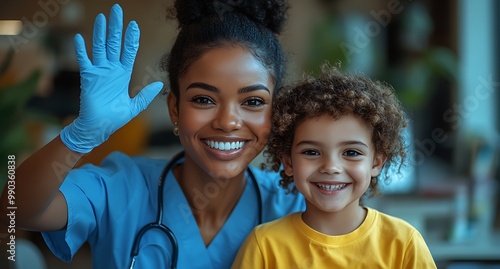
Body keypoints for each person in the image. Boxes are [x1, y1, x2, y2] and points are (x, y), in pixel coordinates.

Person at [0, 1, 305, 268]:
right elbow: (15, 210)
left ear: (274, 112)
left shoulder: (295, 203)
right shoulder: (123, 187)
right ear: (175, 109)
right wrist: (79, 137)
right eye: (203, 99)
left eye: (253, 102)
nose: (227, 122)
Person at [231, 65, 437, 268]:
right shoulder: (265, 246)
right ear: (288, 162)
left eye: (351, 153)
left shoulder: (403, 244)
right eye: (311, 152)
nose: (331, 167)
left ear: (376, 163)